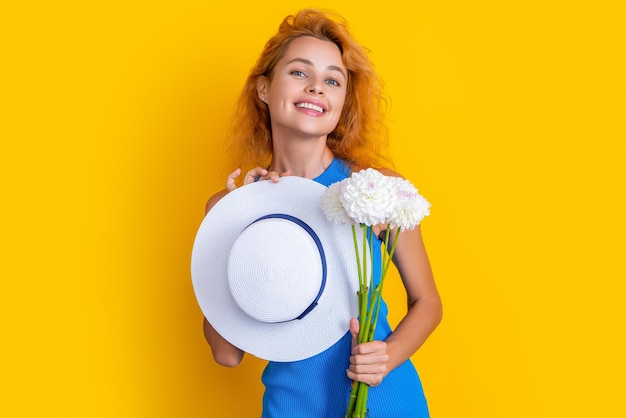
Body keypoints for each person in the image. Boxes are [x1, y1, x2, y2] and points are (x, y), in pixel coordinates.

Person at [201, 9, 442, 417]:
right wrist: (233, 226)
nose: (316, 88)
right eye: (299, 73)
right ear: (263, 88)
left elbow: (428, 301)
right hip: (292, 404)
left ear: (342, 101)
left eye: (332, 80)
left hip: (383, 400)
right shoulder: (232, 206)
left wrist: (388, 355)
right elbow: (226, 353)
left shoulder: (374, 188)